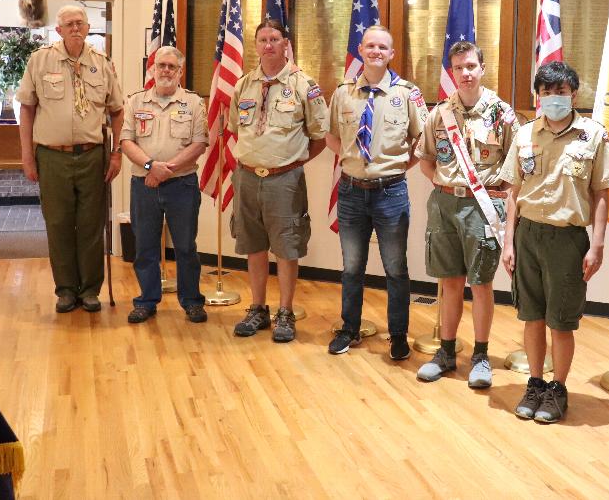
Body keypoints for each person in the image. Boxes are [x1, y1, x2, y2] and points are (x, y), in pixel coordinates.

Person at [500, 61, 609, 423]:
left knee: (561, 320)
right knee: (532, 315)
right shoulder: (524, 134)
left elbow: (601, 193)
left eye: (561, 92)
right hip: (528, 235)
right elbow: (512, 192)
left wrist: (597, 245)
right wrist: (508, 242)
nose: (554, 98)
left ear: (573, 94)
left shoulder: (593, 136)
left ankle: (558, 389)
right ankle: (535, 383)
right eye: (547, 92)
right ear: (538, 96)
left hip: (567, 238)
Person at [415, 41, 516, 387]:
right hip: (444, 205)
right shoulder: (439, 113)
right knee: (449, 281)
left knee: (481, 283)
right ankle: (445, 352)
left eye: (471, 66)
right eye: (458, 68)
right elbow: (426, 159)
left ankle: (481, 356)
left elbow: (516, 169)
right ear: (452, 72)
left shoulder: (502, 114)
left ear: (482, 68)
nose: (466, 73)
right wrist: (448, 185)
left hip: (482, 208)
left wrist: (487, 194)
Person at [326, 25, 427, 359]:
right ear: (360, 49)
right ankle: (349, 329)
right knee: (352, 266)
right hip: (352, 192)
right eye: (370, 46)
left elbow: (422, 143)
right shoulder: (343, 93)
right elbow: (330, 135)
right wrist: (352, 161)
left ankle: (397, 334)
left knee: (395, 268)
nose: (376, 52)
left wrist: (395, 168)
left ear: (391, 54)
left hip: (391, 192)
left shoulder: (407, 94)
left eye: (383, 47)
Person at [16, 5, 124, 314]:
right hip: (52, 156)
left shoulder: (102, 64)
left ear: (88, 27)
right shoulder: (40, 61)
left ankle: (90, 290)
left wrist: (116, 153)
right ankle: (65, 290)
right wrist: (27, 155)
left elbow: (117, 111)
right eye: (68, 24)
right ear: (58, 30)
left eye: (80, 23)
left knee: (91, 225)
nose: (75, 28)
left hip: (93, 156)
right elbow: (27, 109)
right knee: (59, 223)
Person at [229, 19, 328, 342]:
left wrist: (291, 163)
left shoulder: (304, 85)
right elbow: (235, 128)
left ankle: (285, 312)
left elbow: (319, 137)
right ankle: (258, 308)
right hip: (246, 177)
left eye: (274, 39)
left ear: (286, 44)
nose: (268, 45)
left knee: (286, 248)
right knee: (253, 246)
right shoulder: (244, 85)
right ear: (255, 45)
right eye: (262, 39)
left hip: (284, 180)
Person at [121, 47, 208, 325]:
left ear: (180, 71)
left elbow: (199, 144)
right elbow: (126, 142)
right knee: (145, 246)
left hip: (181, 185)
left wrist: (164, 170)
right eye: (161, 65)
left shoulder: (194, 103)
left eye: (172, 66)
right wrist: (150, 167)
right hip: (143, 184)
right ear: (152, 69)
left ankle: (192, 301)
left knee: (185, 246)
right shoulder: (135, 102)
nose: (166, 70)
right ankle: (146, 301)